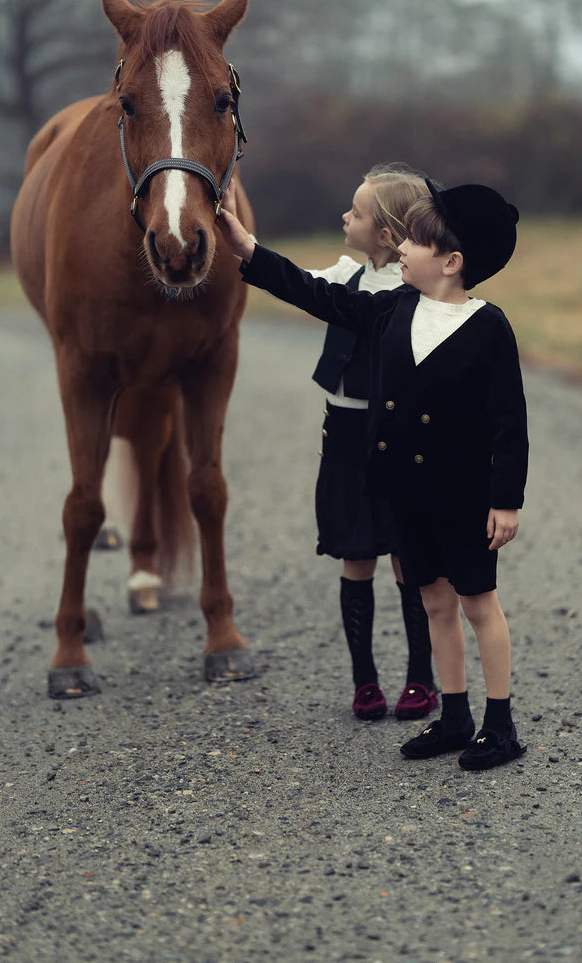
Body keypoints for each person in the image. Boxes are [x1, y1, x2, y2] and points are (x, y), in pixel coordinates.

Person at [218, 177, 529, 771]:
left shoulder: (489, 327)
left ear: (452, 262)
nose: (402, 248)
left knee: (477, 605)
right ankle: (455, 715)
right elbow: (318, 295)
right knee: (434, 604)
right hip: (406, 496)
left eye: (415, 242)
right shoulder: (393, 308)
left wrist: (506, 500)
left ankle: (500, 724)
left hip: (463, 499)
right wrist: (247, 249)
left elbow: (509, 422)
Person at [240, 165, 439, 722]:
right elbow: (299, 281)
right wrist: (241, 245)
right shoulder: (346, 276)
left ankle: (421, 679)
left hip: (398, 440)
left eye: (356, 211)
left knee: (407, 560)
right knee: (355, 557)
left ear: (386, 234)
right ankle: (364, 681)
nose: (344, 216)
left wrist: (251, 252)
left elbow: (315, 297)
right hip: (345, 437)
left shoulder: (413, 292)